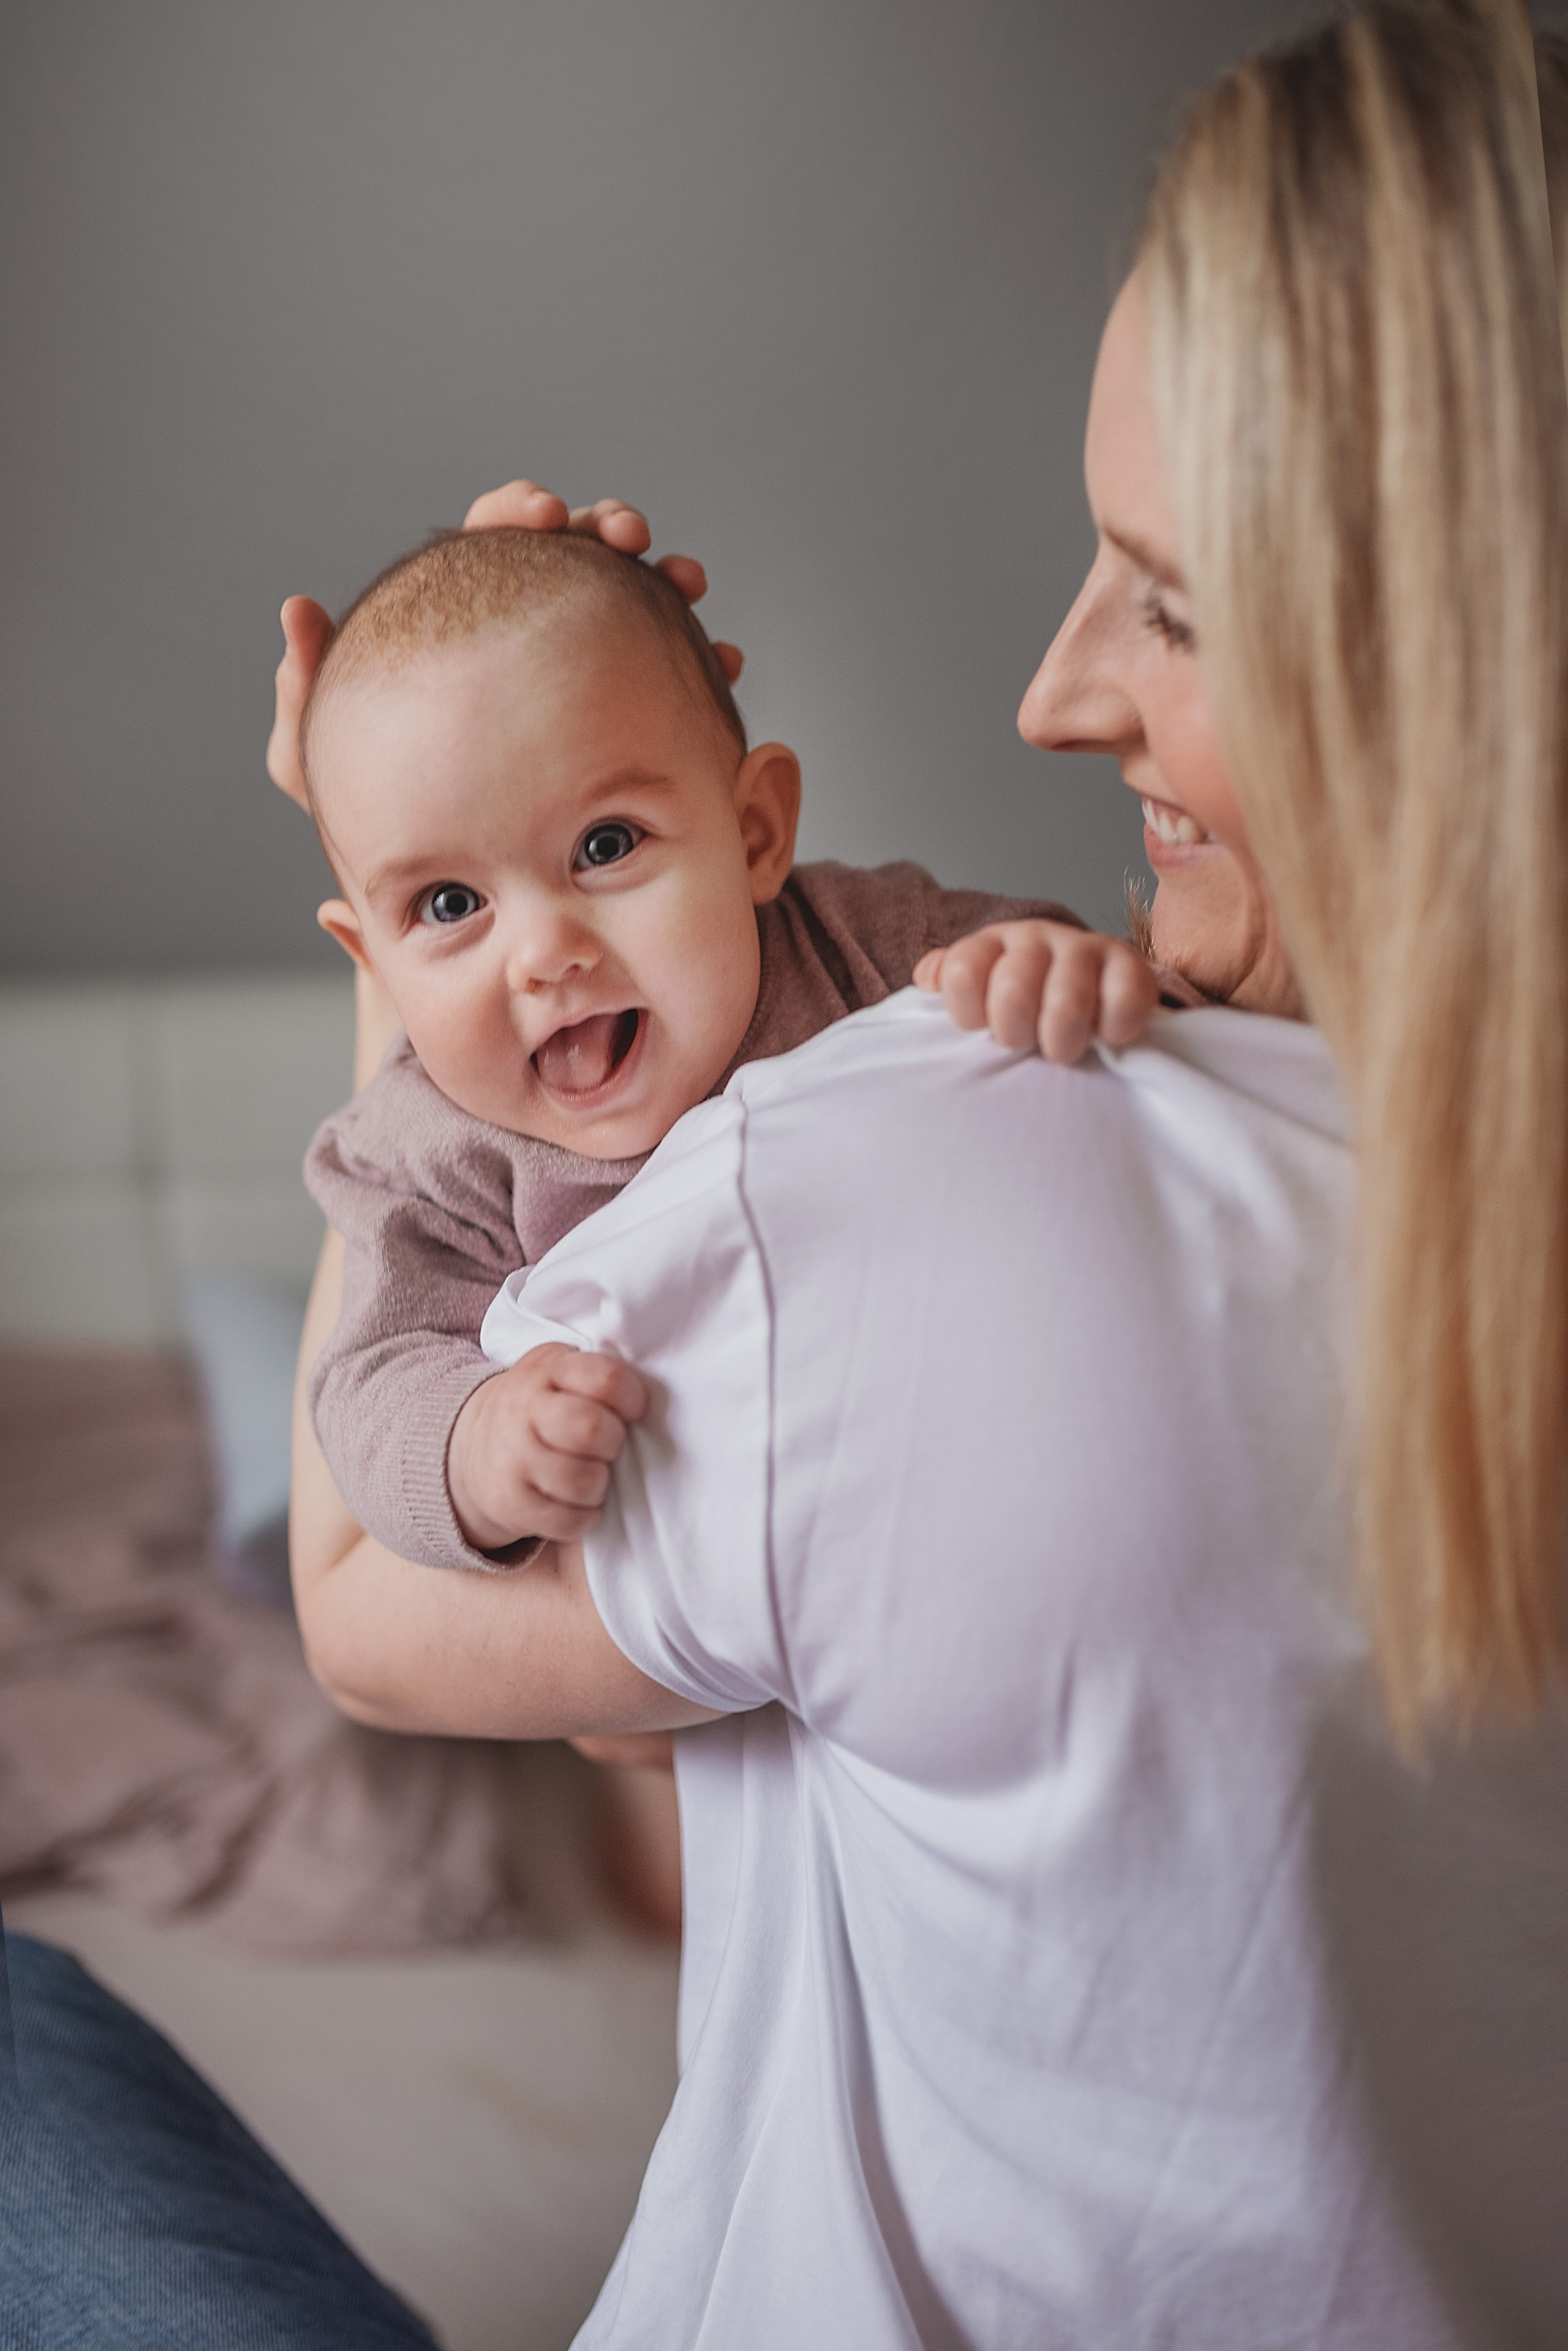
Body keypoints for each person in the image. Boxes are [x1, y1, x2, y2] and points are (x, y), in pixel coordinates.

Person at [6, 3, 1564, 2342]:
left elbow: (354, 1607)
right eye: (452, 908)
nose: (1054, 694)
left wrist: (407, 932)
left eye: (1170, 598)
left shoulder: (898, 1164)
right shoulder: (1115, 1123)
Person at [295, 523, 1156, 1577]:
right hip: (694, 1580)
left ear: (755, 833)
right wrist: (474, 1442)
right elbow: (374, 1375)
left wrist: (1046, 970)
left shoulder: (855, 943)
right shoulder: (423, 1153)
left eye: (605, 845)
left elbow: (1043, 977)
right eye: (448, 904)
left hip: (960, 1478)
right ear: (375, 964)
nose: (544, 953)